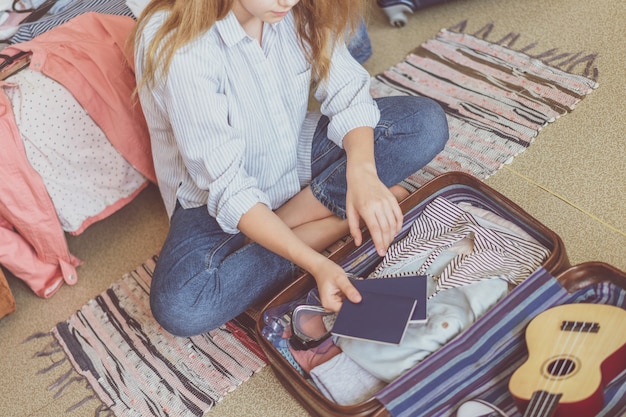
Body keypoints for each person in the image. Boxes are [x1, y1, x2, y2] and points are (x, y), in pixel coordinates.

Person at [132, 0, 449, 337]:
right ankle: (332, 222)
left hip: (292, 151)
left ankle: (280, 227)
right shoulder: (181, 46)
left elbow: (347, 93)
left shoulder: (298, 6)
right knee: (182, 306)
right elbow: (228, 187)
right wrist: (316, 264)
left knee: (424, 123)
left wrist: (364, 173)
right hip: (211, 194)